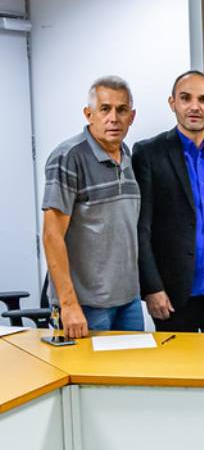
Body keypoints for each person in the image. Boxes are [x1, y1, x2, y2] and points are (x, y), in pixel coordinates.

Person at [134, 70, 204, 332]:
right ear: (173, 103)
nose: (195, 107)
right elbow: (141, 228)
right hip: (173, 292)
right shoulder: (148, 153)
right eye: (186, 98)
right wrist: (152, 287)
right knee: (178, 370)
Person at [41, 76, 143, 338]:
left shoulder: (127, 154)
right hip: (86, 306)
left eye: (121, 110)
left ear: (131, 117)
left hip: (128, 300)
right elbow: (52, 236)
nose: (114, 118)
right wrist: (68, 304)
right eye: (105, 109)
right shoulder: (68, 157)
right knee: (90, 380)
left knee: (132, 376)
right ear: (89, 114)